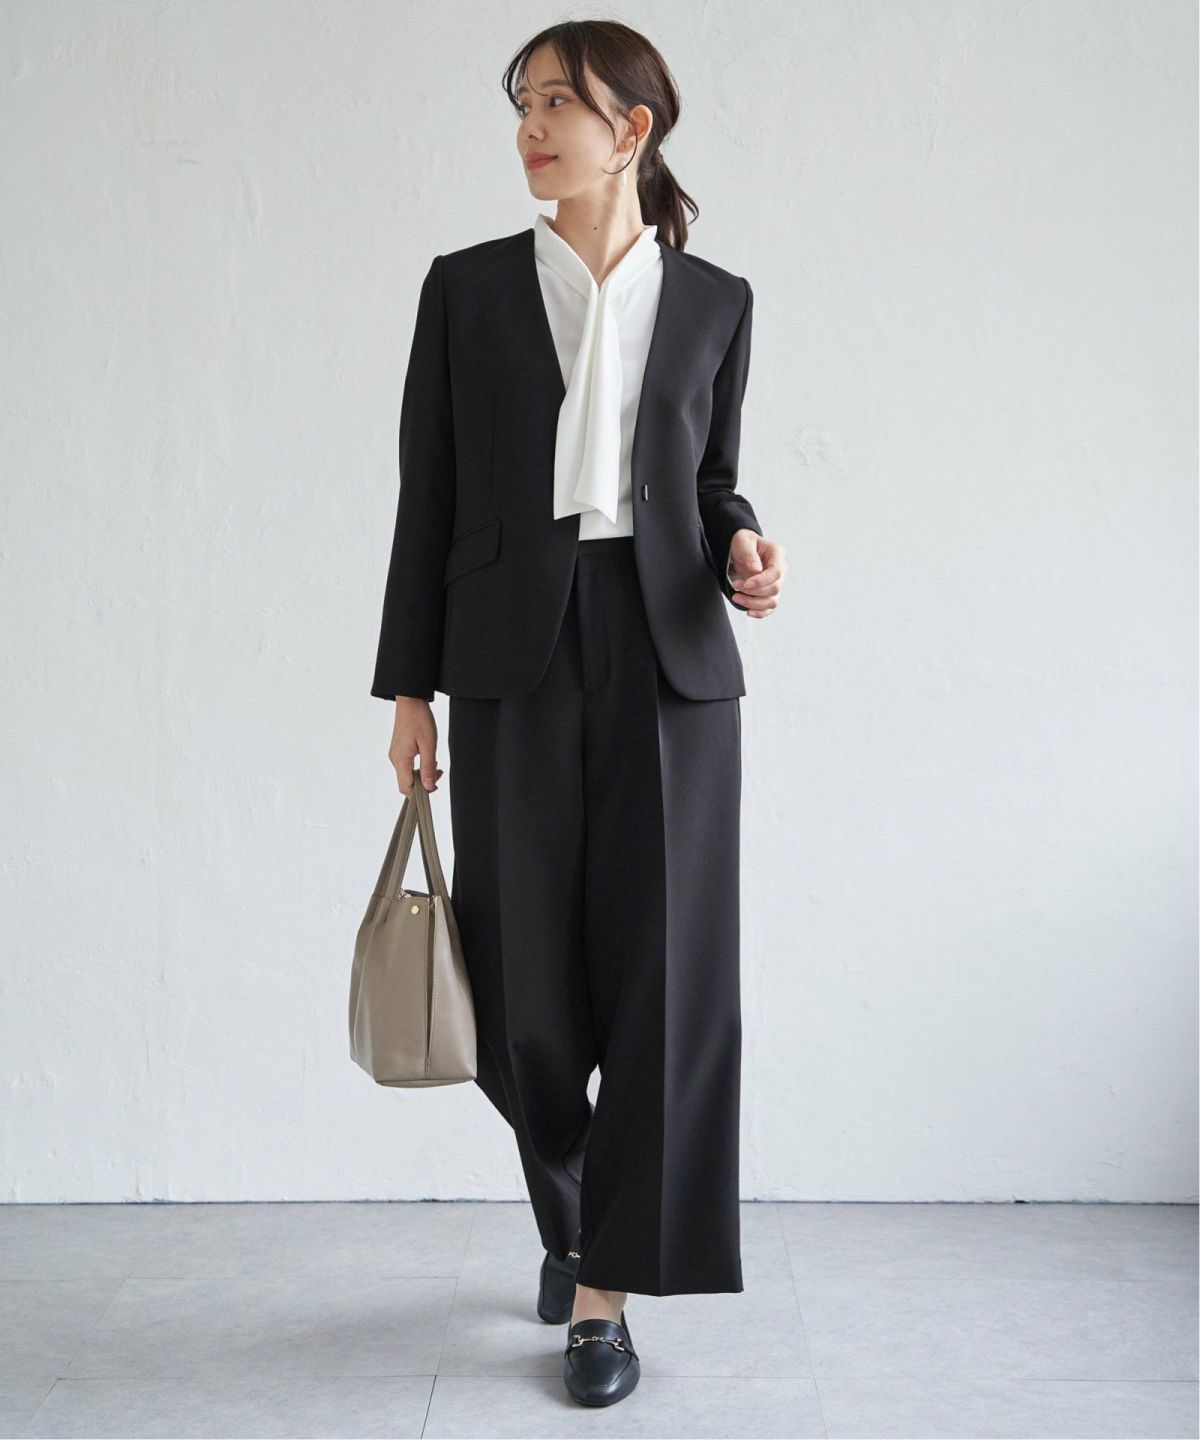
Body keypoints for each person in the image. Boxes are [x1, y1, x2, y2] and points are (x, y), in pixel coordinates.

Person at [370, 19, 787, 1408]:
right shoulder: (469, 290)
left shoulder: (717, 300)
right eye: (524, 104)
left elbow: (710, 478)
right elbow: (427, 497)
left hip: (671, 659)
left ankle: (604, 1292)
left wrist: (744, 545)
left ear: (633, 130)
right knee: (520, 991)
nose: (532, 128)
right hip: (512, 654)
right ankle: (573, 1216)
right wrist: (409, 688)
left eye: (559, 102)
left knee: (665, 981)